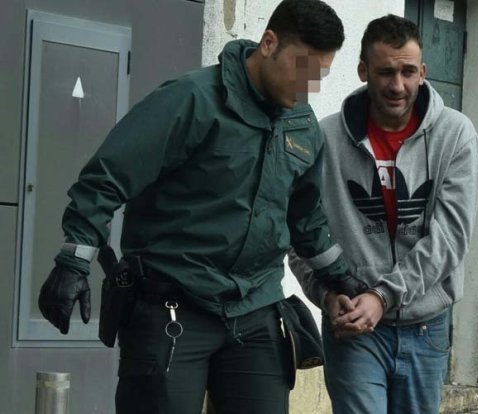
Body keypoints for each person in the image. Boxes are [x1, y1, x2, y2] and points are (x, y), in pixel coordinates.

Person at [37, 1, 364, 413]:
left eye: (319, 75)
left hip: (256, 307)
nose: (307, 87)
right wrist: (74, 261)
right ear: (268, 43)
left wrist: (338, 276)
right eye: (302, 69)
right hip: (173, 305)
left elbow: (306, 218)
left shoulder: (302, 125)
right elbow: (108, 175)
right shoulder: (191, 100)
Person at [290, 14, 478, 414]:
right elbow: (300, 233)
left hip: (426, 326)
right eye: (385, 72)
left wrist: (383, 296)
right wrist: (326, 296)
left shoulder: (456, 134)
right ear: (363, 71)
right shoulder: (324, 139)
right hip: (354, 330)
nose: (397, 85)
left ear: (423, 73)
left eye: (408, 72)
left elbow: (451, 237)